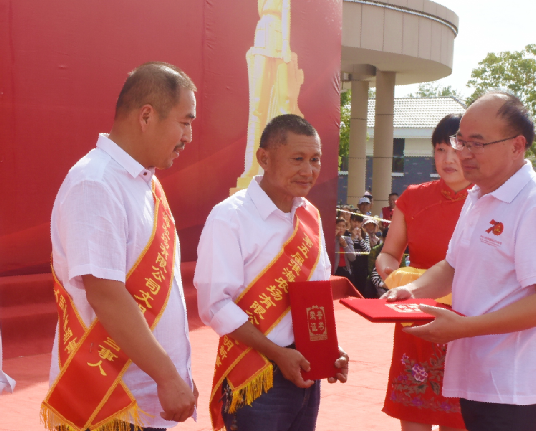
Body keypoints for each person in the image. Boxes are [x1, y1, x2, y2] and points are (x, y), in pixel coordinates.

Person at [385, 91, 536, 431]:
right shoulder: (478, 195)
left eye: (477, 144)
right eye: (461, 141)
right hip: (476, 380)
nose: (463, 153)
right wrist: (411, 290)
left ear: (517, 146)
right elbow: (452, 267)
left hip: (515, 390)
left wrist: (464, 328)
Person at [44, 62, 198, 431]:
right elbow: (106, 294)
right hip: (107, 402)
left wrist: (176, 373)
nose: (189, 136)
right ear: (146, 116)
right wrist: (168, 375)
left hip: (144, 400)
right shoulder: (95, 182)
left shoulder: (145, 183)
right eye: (184, 122)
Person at [194, 114, 348, 431]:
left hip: (305, 367)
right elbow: (215, 305)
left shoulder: (310, 215)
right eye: (297, 159)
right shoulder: (230, 217)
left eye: (315, 159)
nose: (308, 170)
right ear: (264, 158)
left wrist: (329, 349)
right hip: (254, 371)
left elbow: (316, 293)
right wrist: (278, 354)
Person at [376, 113, 470, 431]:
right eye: (440, 149)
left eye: (456, 149)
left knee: (460, 420)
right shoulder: (413, 198)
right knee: (414, 413)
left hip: (466, 324)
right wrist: (394, 277)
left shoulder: (488, 202)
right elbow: (389, 253)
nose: (448, 159)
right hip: (415, 320)